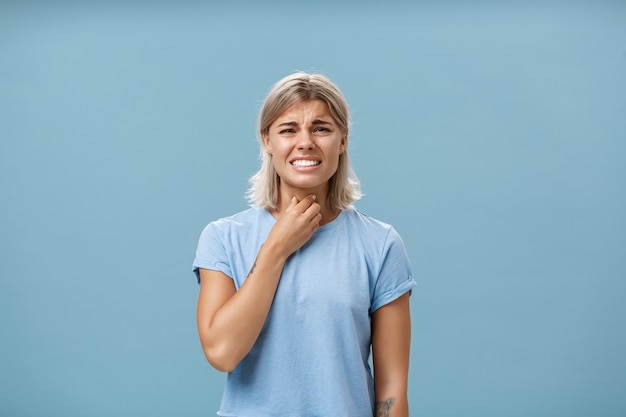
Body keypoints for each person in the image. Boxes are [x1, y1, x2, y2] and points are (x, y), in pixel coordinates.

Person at [193, 72, 416, 417]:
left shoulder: (380, 244)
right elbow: (222, 352)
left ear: (342, 140)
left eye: (321, 128)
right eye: (288, 130)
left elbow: (392, 391)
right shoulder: (223, 237)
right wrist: (276, 248)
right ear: (267, 141)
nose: (305, 142)